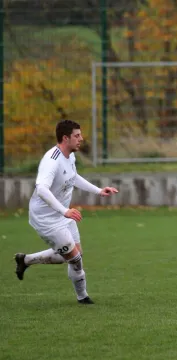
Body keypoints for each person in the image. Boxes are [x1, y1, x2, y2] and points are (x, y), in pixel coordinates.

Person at [14, 119, 119, 304]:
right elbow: (42, 189)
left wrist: (98, 191)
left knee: (75, 254)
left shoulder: (70, 156)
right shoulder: (51, 161)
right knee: (75, 258)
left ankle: (26, 260)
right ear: (65, 138)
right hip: (46, 219)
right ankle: (83, 298)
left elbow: (73, 177)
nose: (81, 139)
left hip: (63, 214)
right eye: (77, 136)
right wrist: (64, 211)